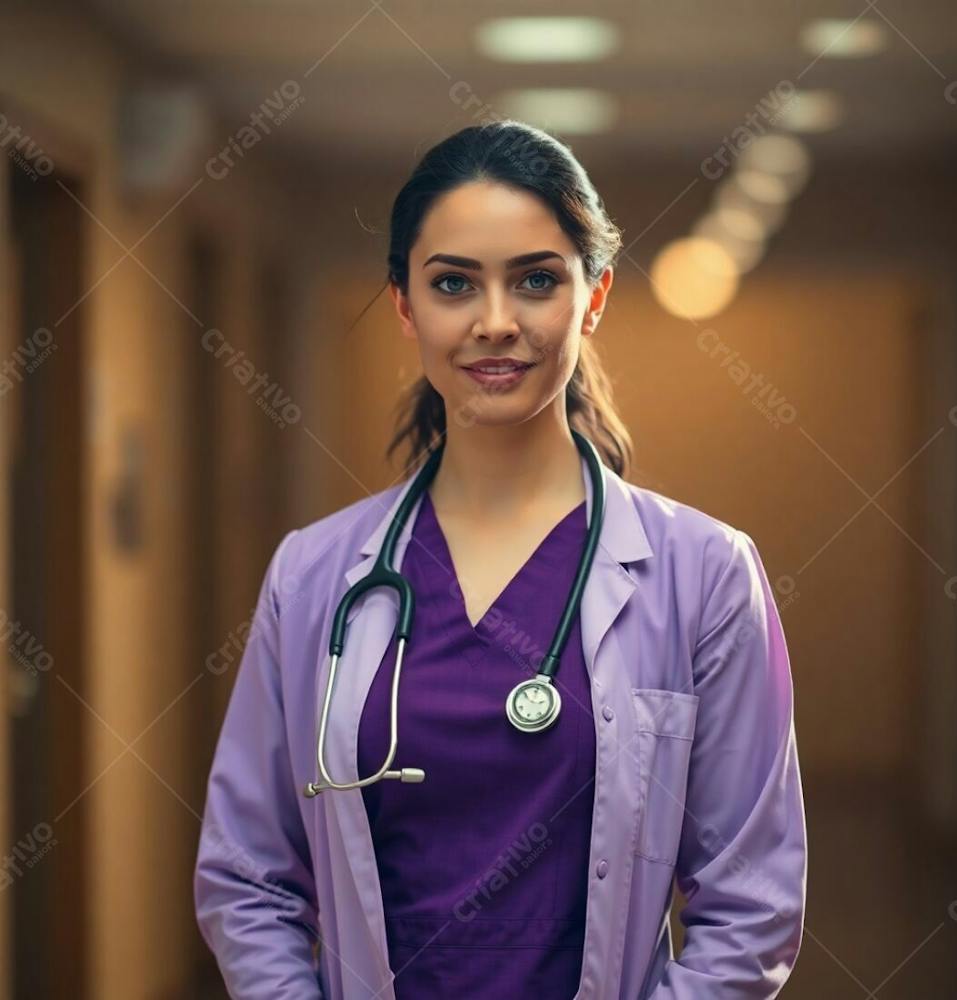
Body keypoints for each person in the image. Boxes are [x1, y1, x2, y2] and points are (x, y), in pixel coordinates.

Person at [193, 120, 807, 999]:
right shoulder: (314, 576)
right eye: (453, 283)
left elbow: (751, 905)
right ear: (405, 305)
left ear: (592, 300)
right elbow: (247, 874)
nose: (495, 322)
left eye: (536, 281)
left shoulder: (704, 575)